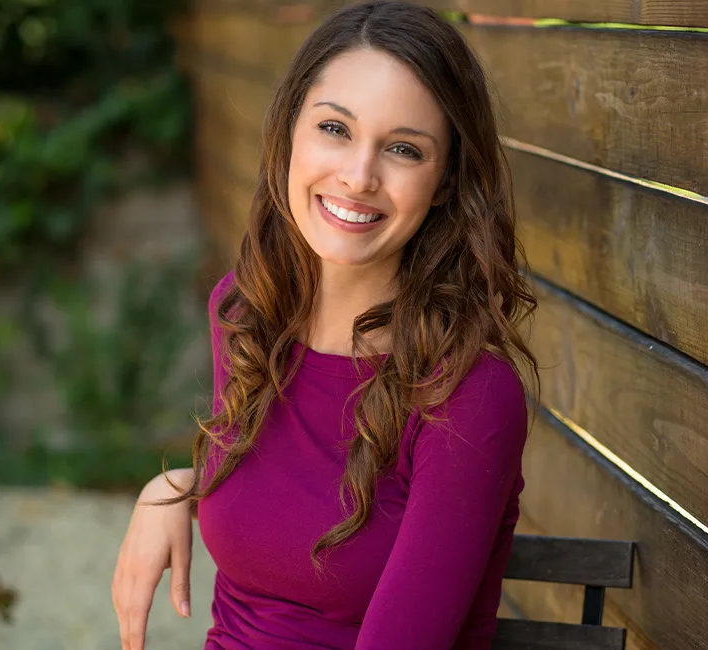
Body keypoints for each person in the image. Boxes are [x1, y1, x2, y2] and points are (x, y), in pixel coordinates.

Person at [112, 2, 539, 648]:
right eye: (335, 129)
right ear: (290, 133)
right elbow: (291, 494)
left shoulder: (468, 394)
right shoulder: (248, 313)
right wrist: (179, 485)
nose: (359, 176)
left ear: (445, 181)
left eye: (402, 149)